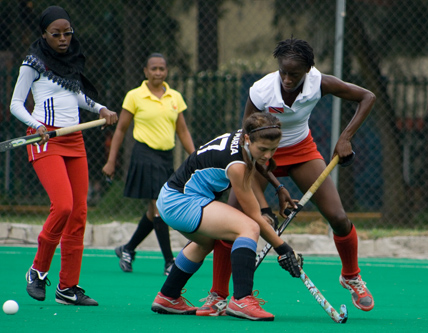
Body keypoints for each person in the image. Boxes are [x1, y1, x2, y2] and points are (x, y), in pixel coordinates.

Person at [202, 37, 377, 316]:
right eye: (283, 71)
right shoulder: (261, 91)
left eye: (293, 74)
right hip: (259, 155)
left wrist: (345, 138)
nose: (286, 78)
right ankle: (218, 295)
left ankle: (351, 276)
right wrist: (265, 203)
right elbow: (246, 140)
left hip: (301, 151)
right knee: (233, 220)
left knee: (339, 218)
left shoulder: (319, 82)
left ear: (308, 70)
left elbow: (367, 96)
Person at [9, 6, 118, 306]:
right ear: (44, 34)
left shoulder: (72, 60)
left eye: (67, 33)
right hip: (45, 138)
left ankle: (67, 287)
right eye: (55, 34)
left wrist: (100, 109)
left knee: (79, 213)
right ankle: (38, 270)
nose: (62, 39)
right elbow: (16, 104)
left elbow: (74, 94)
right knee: (63, 206)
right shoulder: (32, 63)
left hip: (74, 139)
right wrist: (36, 125)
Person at [151, 112, 302, 321]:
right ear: (249, 139)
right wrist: (283, 249)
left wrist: (279, 187)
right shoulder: (237, 165)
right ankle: (242, 299)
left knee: (206, 243)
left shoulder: (243, 137)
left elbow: (255, 166)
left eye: (273, 149)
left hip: (172, 198)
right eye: (263, 149)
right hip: (181, 202)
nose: (268, 155)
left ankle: (167, 296)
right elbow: (254, 216)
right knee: (249, 227)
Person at [102, 53, 195, 275]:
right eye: (153, 68)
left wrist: (196, 157)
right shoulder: (135, 96)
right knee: (159, 207)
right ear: (145, 71)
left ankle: (128, 248)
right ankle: (169, 261)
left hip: (166, 157)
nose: (158, 72)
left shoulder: (175, 97)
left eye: (162, 69)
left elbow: (182, 130)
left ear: (166, 71)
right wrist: (111, 161)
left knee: (153, 210)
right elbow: (121, 129)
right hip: (144, 155)